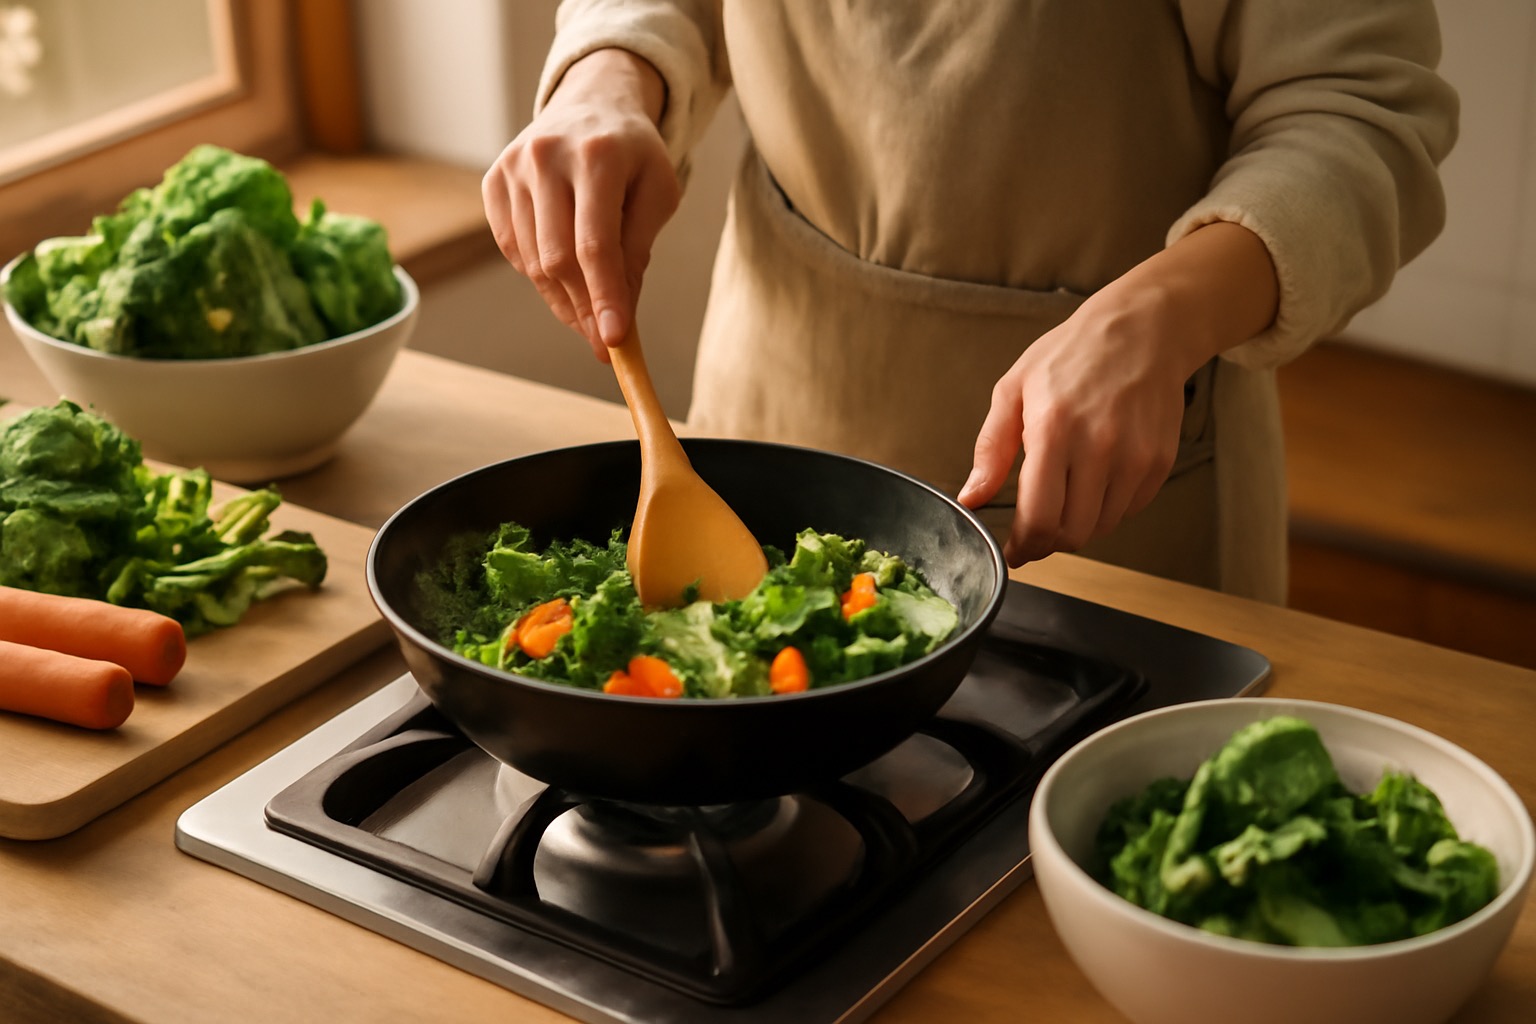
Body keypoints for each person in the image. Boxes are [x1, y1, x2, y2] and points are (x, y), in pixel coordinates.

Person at [481, 1, 1458, 604]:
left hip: (1114, 501)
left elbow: (1359, 115)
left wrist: (1164, 313)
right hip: (769, 417)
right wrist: (609, 71)